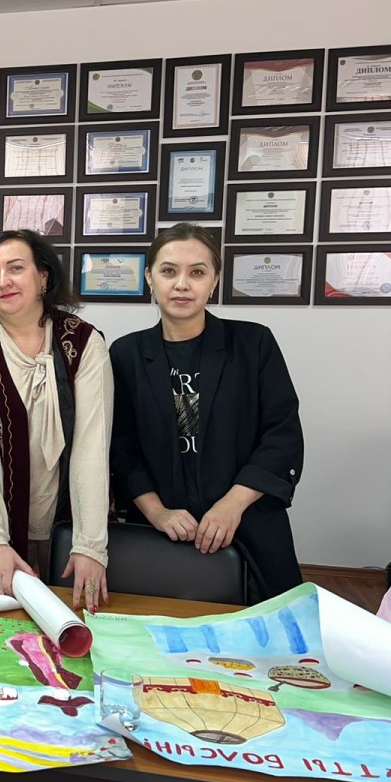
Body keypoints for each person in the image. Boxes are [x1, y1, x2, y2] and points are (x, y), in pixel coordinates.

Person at [110, 223, 304, 601]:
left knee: (273, 626)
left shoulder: (253, 343)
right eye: (169, 271)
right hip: (160, 529)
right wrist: (157, 512)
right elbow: (122, 447)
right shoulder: (126, 354)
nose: (182, 284)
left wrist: (232, 505)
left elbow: (281, 434)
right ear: (149, 278)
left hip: (247, 522)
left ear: (214, 281)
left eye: (197, 272)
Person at [0, 231, 111, 612]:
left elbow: (91, 446)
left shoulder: (83, 343)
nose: (3, 281)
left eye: (15, 268)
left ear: (43, 276)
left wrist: (90, 545)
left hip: (71, 527)